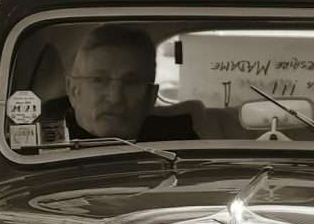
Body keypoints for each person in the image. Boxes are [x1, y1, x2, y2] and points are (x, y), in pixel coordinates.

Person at [41, 24, 198, 141]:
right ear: (74, 90)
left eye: (131, 83)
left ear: (151, 96)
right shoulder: (39, 145)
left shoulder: (179, 145)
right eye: (99, 80)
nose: (115, 98)